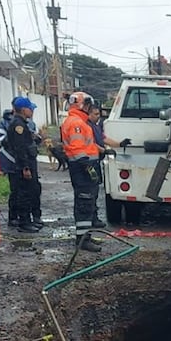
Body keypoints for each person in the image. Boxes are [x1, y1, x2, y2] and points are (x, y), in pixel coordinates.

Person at [61, 91, 103, 252]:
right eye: (87, 105)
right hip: (82, 168)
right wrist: (87, 165)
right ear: (81, 105)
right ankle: (83, 240)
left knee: (87, 202)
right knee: (84, 203)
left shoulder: (79, 121)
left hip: (84, 167)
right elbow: (77, 148)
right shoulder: (76, 123)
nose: (89, 108)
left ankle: (86, 237)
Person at [3, 96, 42, 232]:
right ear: (24, 109)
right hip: (22, 165)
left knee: (30, 191)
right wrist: (25, 167)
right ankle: (24, 222)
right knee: (23, 194)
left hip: (27, 163)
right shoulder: (18, 125)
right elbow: (20, 148)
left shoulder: (22, 123)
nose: (31, 111)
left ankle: (28, 220)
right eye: (30, 109)